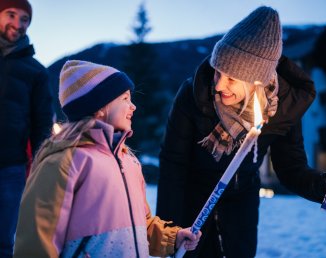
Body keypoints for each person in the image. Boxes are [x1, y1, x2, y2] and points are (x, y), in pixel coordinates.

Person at [156, 6, 326, 258]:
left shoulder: (282, 106)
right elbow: (173, 165)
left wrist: (323, 188)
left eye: (232, 78)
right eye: (218, 72)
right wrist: (168, 233)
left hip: (241, 205)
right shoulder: (194, 96)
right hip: (194, 201)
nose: (220, 84)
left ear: (257, 79)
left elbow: (290, 168)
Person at [13, 60, 201, 257]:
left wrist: (172, 238)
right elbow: (37, 240)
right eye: (125, 98)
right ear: (100, 107)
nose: (133, 106)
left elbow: (140, 225)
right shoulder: (64, 162)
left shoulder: (129, 161)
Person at [0, 0, 53, 257]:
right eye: (11, 14)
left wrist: (38, 167)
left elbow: (42, 125)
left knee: (3, 240)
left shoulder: (36, 72)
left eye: (24, 19)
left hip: (11, 169)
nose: (18, 24)